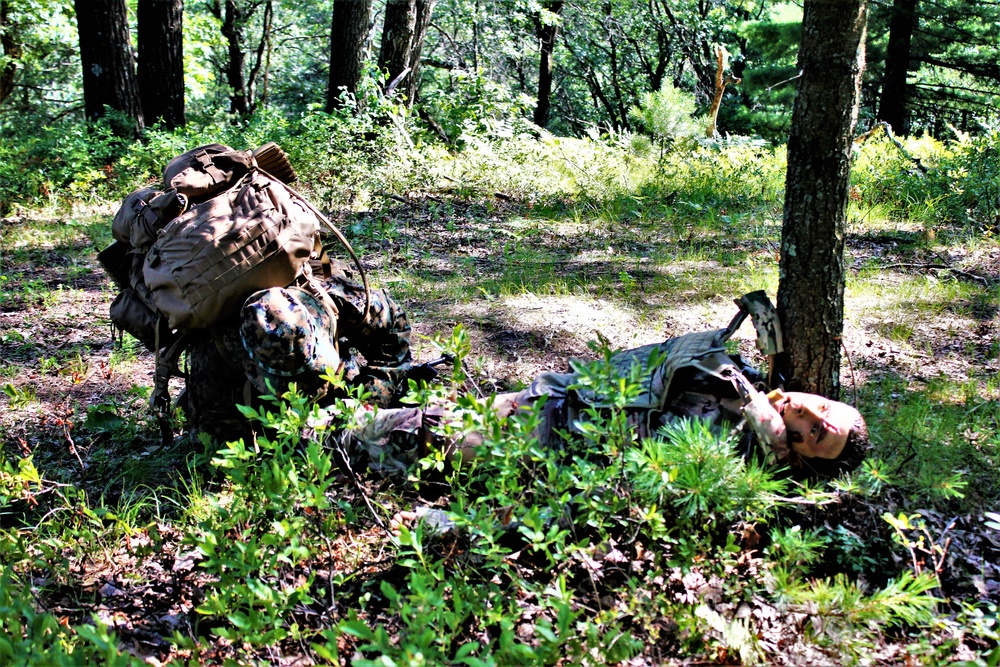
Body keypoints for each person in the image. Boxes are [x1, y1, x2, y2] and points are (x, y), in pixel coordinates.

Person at [211, 286, 868, 480]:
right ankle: (329, 384)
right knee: (378, 322)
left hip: (526, 437)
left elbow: (700, 380)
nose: (805, 424)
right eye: (822, 417)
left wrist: (769, 424)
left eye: (813, 441)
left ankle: (279, 427)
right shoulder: (749, 379)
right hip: (531, 402)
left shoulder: (749, 438)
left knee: (353, 435)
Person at [181, 257, 416, 444]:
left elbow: (394, 333)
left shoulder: (336, 295)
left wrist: (373, 398)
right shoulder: (215, 354)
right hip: (244, 388)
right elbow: (210, 438)